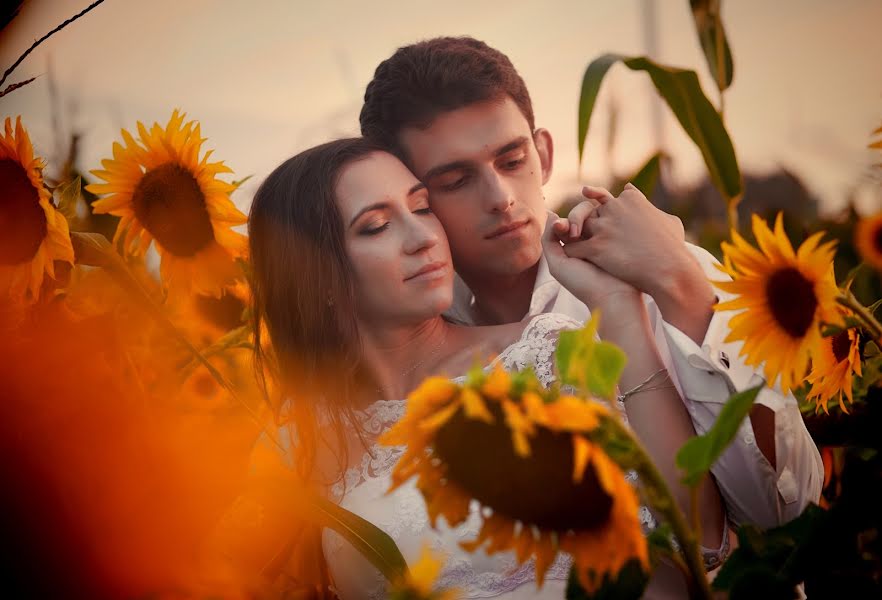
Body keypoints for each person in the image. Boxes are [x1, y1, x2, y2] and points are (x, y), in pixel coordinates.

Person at [358, 36, 823, 531]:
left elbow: (785, 511)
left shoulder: (663, 271)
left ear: (544, 153)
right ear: (411, 199)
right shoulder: (413, 341)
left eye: (512, 161)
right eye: (455, 181)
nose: (500, 198)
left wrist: (682, 285)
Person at [247, 138, 726, 599]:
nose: (422, 238)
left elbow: (700, 535)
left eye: (421, 208)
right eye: (376, 226)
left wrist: (617, 303)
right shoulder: (306, 439)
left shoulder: (544, 353)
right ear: (314, 274)